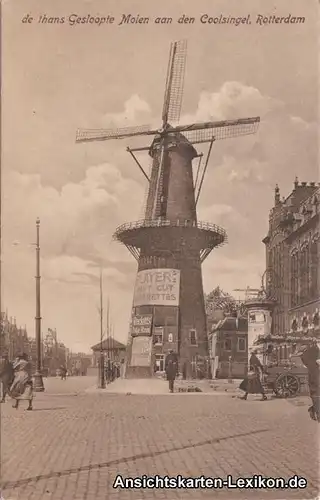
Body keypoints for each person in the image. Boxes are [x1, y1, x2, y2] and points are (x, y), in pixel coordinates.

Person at [301, 341, 320, 422]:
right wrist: (312, 365)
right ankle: (318, 414)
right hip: (315, 376)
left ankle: (312, 410)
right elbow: (303, 357)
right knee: (317, 395)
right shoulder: (312, 350)